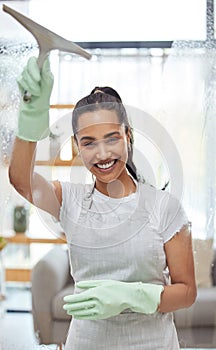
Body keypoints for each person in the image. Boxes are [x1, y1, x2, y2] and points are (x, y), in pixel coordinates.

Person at [9, 56, 197, 350]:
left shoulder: (166, 207)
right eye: (89, 142)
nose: (102, 153)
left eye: (112, 138)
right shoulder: (70, 201)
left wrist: (133, 296)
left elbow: (187, 292)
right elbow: (21, 179)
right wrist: (32, 115)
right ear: (76, 147)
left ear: (128, 136)